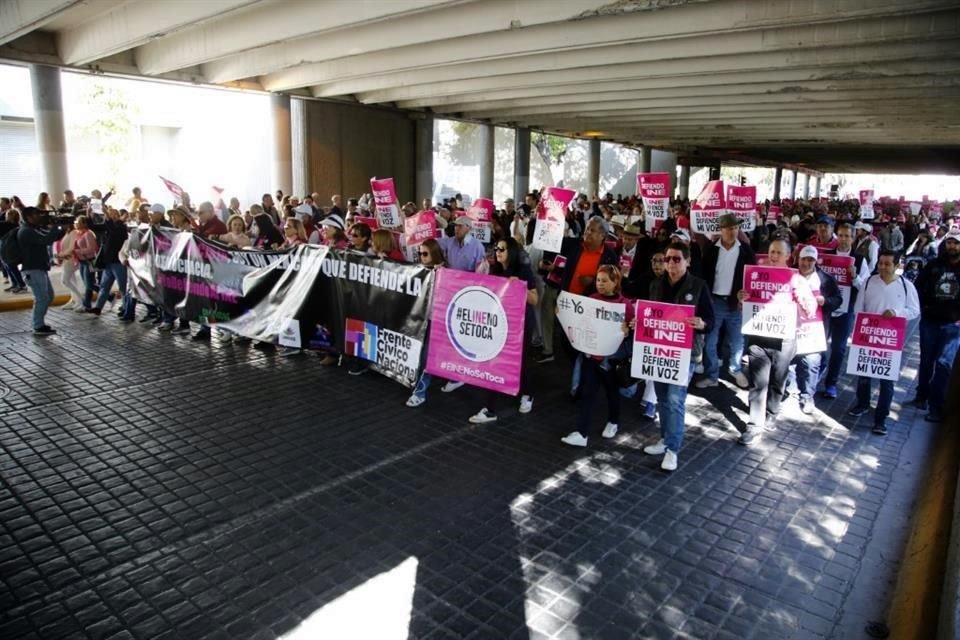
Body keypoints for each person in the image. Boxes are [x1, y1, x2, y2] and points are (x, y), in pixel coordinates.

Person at [639, 241, 714, 471]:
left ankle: (672, 448)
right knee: (662, 397)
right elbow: (649, 313)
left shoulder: (699, 286)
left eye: (677, 259)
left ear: (688, 261)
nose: (671, 263)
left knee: (674, 399)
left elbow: (711, 322)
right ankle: (665, 438)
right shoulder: (655, 284)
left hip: (686, 353)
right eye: (667, 259)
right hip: (659, 351)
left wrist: (702, 323)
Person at [737, 238, 817, 446]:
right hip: (758, 337)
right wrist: (741, 297)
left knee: (777, 380)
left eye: (778, 253)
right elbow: (742, 307)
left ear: (788, 256)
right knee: (758, 383)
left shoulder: (797, 280)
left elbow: (810, 311)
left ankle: (772, 412)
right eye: (771, 252)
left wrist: (803, 299)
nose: (773, 256)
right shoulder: (755, 274)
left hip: (784, 340)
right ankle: (754, 425)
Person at [560, 265, 635, 446]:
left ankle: (613, 421)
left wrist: (628, 330)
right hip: (591, 357)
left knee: (612, 392)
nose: (600, 284)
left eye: (604, 281)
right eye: (598, 280)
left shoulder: (625, 305)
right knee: (588, 393)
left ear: (615, 282)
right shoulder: (591, 299)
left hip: (611, 359)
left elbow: (633, 332)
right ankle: (582, 432)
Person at [848, 251, 920, 434]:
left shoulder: (906, 286)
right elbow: (859, 307)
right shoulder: (869, 282)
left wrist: (897, 313)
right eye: (880, 263)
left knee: (886, 380)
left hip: (890, 341)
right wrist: (858, 331)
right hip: (868, 336)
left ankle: (881, 418)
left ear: (897, 266)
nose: (882, 267)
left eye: (887, 264)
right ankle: (862, 403)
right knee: (864, 374)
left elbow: (914, 311)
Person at [468, 238, 538, 424]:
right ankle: (490, 409)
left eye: (502, 249)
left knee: (520, 361)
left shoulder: (523, 270)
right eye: (496, 248)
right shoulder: (495, 269)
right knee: (494, 361)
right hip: (500, 321)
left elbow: (535, 299)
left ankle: (527, 394)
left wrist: (520, 287)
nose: (497, 251)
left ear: (512, 252)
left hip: (521, 322)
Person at [537, 216, 618, 363]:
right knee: (565, 339)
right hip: (567, 301)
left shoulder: (609, 256)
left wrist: (592, 282)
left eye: (592, 230)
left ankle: (579, 371)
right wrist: (547, 260)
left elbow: (614, 283)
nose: (587, 233)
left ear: (603, 236)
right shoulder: (574, 245)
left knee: (584, 345)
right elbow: (552, 244)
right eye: (587, 228)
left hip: (589, 307)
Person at [697, 213, 755, 389]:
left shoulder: (745, 250)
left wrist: (746, 295)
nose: (733, 231)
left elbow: (752, 276)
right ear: (721, 230)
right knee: (710, 342)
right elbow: (703, 276)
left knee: (738, 341)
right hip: (714, 301)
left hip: (735, 304)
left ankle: (735, 369)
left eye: (736, 228)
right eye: (730, 228)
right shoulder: (711, 249)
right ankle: (712, 375)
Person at [913, 228, 960, 422]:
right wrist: (923, 308)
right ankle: (921, 395)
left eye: (956, 243)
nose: (952, 246)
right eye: (949, 242)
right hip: (930, 321)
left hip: (953, 325)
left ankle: (936, 406)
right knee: (926, 361)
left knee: (944, 365)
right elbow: (918, 286)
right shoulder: (933, 265)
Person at [821, 222, 872, 398]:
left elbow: (864, 287)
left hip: (846, 310)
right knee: (819, 345)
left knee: (839, 348)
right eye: (841, 235)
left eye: (847, 236)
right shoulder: (826, 256)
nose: (843, 239)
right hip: (826, 308)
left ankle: (831, 383)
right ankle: (816, 374)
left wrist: (854, 276)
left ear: (853, 237)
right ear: (837, 236)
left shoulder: (859, 260)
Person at [792, 246, 842, 414]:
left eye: (810, 260)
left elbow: (838, 300)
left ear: (816, 261)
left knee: (812, 362)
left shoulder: (825, 280)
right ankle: (790, 389)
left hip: (815, 328)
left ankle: (807, 396)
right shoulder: (789, 276)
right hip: (791, 326)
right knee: (789, 361)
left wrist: (825, 301)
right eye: (803, 259)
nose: (806, 263)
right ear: (798, 259)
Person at [406, 238, 446, 407]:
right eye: (419, 253)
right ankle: (452, 377)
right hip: (419, 319)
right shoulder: (418, 269)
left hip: (435, 321)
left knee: (426, 357)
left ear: (434, 254)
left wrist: (441, 274)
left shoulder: (444, 273)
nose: (421, 257)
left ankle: (420, 392)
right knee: (424, 355)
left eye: (425, 254)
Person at [17, 207, 65, 334]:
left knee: (48, 296)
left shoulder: (33, 229)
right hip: (32, 269)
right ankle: (38, 325)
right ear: (29, 217)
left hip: (39, 268)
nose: (39, 216)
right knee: (42, 298)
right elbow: (46, 240)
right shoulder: (26, 231)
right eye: (36, 214)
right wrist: (55, 227)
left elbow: (52, 236)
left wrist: (61, 226)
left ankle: (39, 323)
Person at [84, 208, 128, 318]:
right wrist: (89, 214)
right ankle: (98, 307)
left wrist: (108, 218)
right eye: (109, 214)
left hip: (118, 262)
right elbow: (93, 227)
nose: (109, 216)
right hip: (108, 262)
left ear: (118, 216)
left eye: (113, 214)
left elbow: (114, 232)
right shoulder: (108, 226)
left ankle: (126, 308)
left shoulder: (121, 227)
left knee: (123, 287)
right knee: (104, 286)